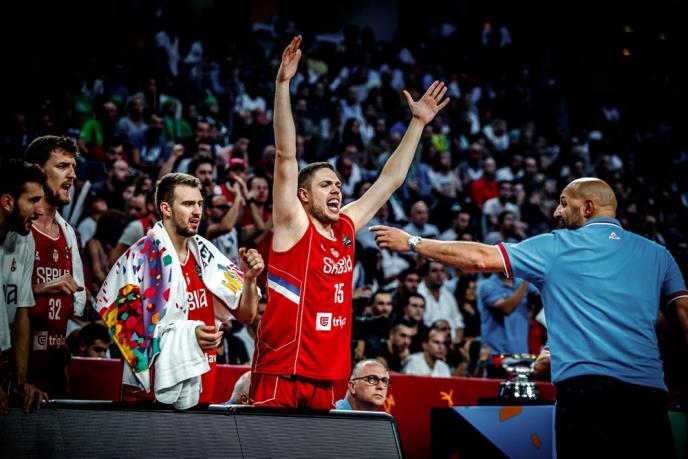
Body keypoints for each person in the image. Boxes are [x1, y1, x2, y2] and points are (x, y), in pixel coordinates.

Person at [371, 177, 688, 458]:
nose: (557, 212)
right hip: (648, 397)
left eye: (564, 203)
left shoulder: (556, 246)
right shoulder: (658, 254)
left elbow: (480, 258)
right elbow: (682, 318)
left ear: (588, 207)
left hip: (586, 395)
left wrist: (413, 242)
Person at [251, 35, 449, 409]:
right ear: (303, 195)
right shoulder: (293, 224)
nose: (337, 190)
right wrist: (283, 85)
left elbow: (390, 180)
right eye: (326, 185)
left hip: (329, 371)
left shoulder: (344, 226)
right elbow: (285, 155)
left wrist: (418, 124)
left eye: (339, 185)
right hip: (284, 366)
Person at [95, 173, 264, 409]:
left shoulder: (206, 254)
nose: (197, 211)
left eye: (199, 204)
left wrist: (250, 279)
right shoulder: (140, 258)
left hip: (202, 382)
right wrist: (188, 336)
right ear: (166, 208)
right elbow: (131, 339)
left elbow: (247, 315)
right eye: (187, 204)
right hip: (151, 397)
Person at [24, 136, 87, 398]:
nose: (72, 175)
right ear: (37, 170)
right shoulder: (13, 230)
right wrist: (41, 288)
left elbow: (72, 309)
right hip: (15, 378)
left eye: (73, 167)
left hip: (53, 376)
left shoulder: (68, 234)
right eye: (62, 166)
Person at [0, 161, 48, 414]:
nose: (39, 211)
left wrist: (21, 383)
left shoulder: (25, 240)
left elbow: (21, 311)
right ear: (8, 202)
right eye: (33, 200)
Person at [477, 272, 539, 355]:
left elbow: (543, 294)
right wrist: (524, 285)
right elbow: (506, 309)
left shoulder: (519, 282)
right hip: (498, 353)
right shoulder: (488, 286)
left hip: (521, 351)